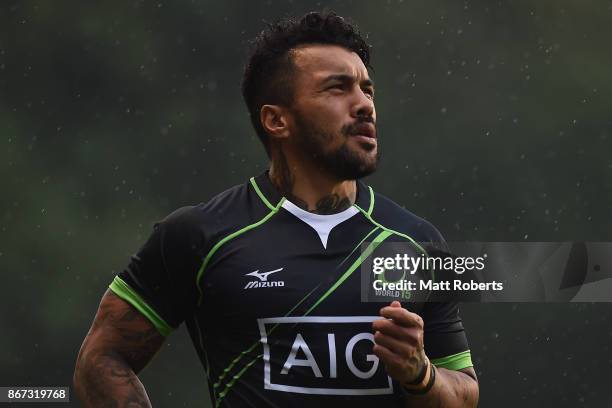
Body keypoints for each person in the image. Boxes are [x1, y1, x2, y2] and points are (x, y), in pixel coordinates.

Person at [73, 11, 479, 407]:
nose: (364, 105)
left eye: (367, 89)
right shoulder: (200, 235)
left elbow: (463, 392)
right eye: (337, 88)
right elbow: (102, 358)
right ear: (276, 120)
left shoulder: (417, 243)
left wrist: (419, 374)